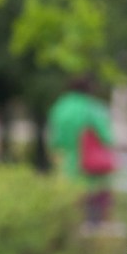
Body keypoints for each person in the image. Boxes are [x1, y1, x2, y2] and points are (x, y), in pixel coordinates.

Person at [48, 77, 117, 227]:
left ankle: (68, 223)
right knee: (93, 192)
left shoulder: (60, 106)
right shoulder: (91, 107)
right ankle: (93, 224)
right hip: (89, 160)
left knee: (68, 191)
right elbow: (105, 136)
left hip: (65, 157)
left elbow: (54, 135)